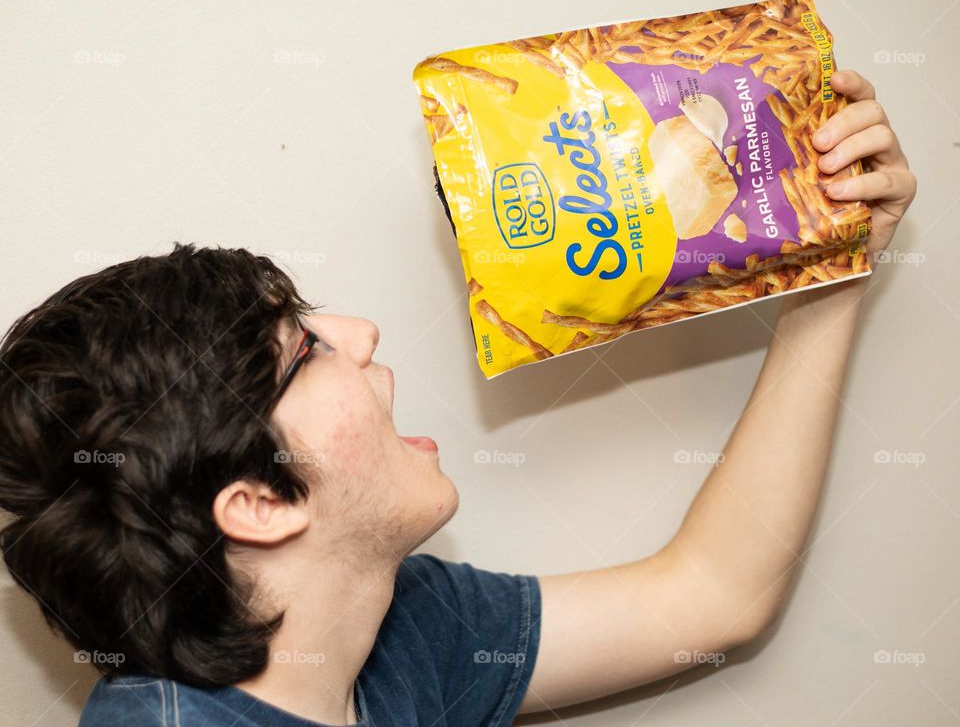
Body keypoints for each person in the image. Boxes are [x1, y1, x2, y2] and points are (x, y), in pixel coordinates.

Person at [0, 69, 916, 726]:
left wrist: (832, 272)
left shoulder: (403, 628)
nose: (361, 334)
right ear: (259, 503)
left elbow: (710, 598)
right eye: (306, 348)